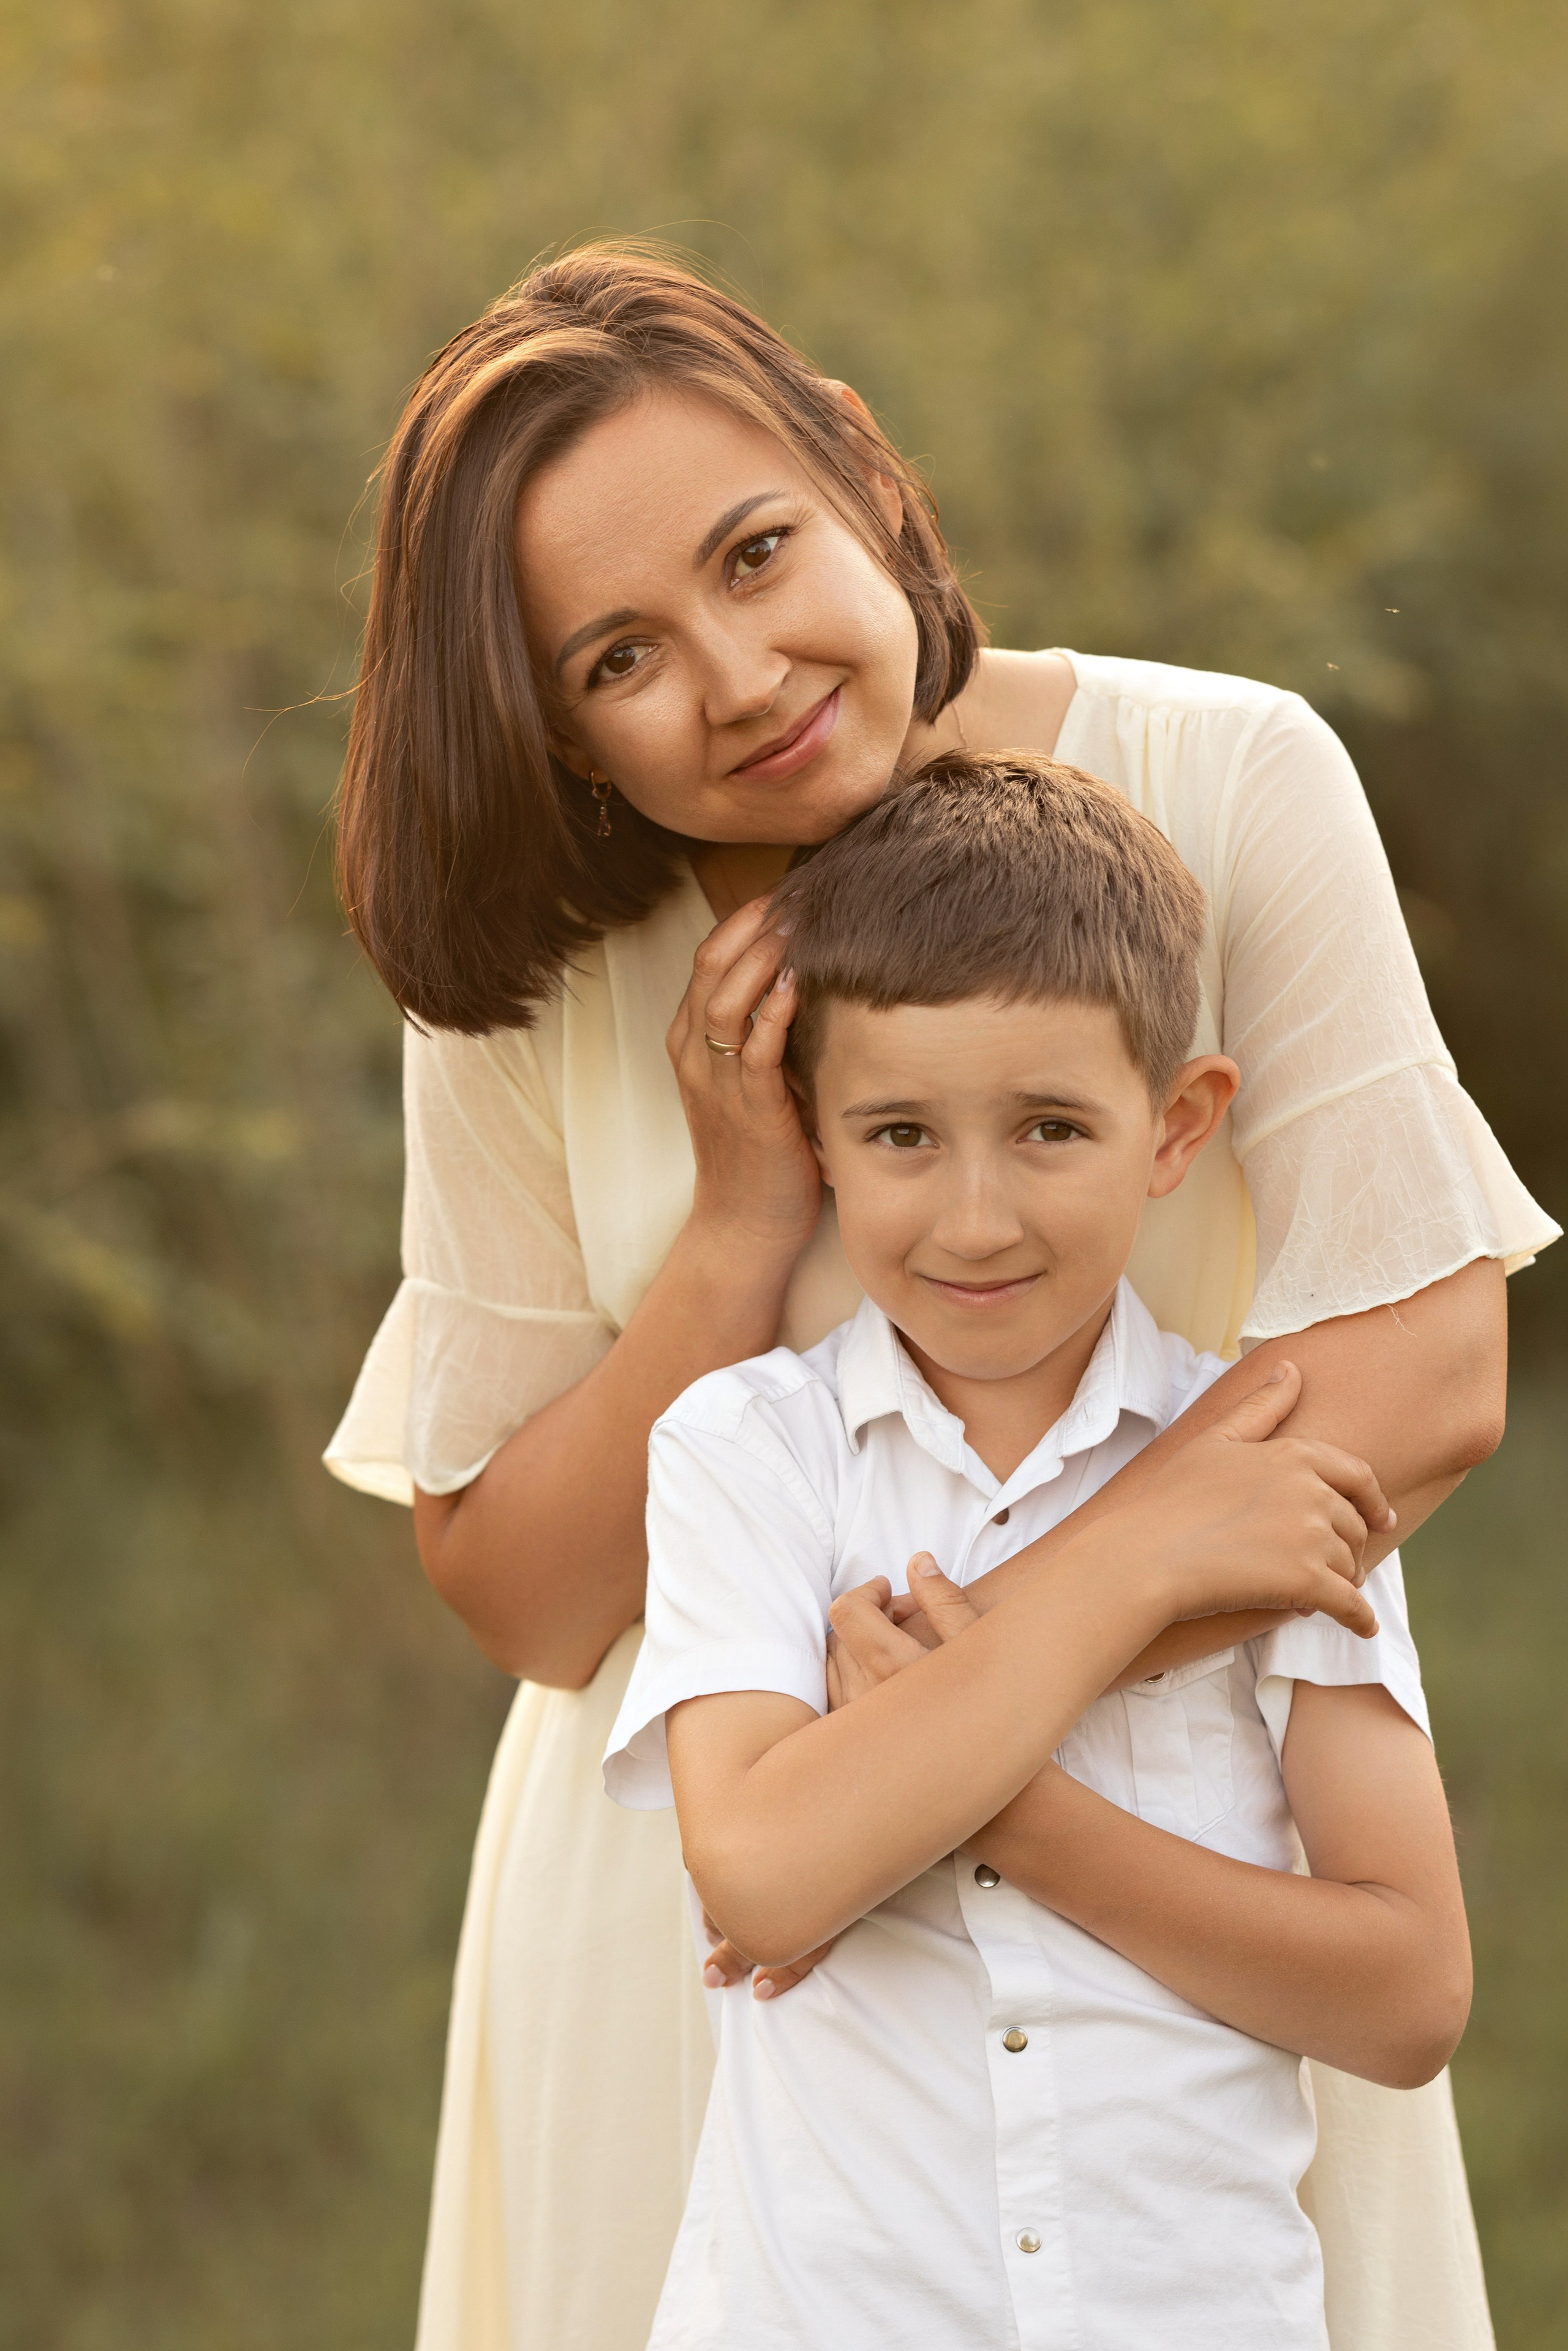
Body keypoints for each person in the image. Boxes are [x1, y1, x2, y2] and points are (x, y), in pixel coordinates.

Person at [322, 241, 1555, 2350]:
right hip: (710, 1924)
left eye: (756, 551)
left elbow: (1424, 1374)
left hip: (1193, 1887)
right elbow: (528, 1599)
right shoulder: (532, 983)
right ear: (560, 733)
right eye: (620, 656)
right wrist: (732, 1229)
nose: (734, 671)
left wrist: (960, 1721)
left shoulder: (1229, 781)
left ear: (863, 481)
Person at [604, 752, 1472, 2350]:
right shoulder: (746, 1456)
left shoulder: (1272, 1478)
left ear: (1176, 1125)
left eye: (1053, 1128)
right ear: (816, 1137)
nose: (980, 1219)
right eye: (903, 1136)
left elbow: (1408, 1996)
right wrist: (1138, 1579)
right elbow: (772, 1877)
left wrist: (977, 1791)